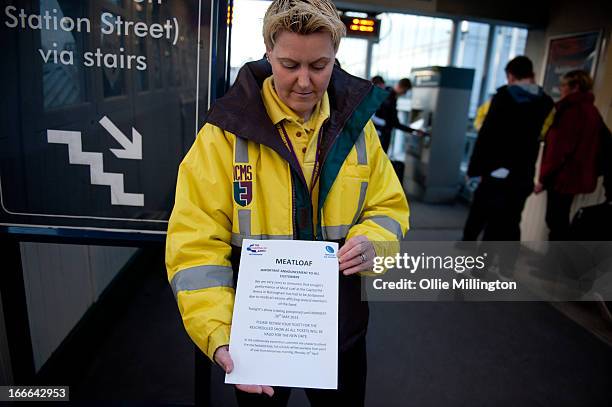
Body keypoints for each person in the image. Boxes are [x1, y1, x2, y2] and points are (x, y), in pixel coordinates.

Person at [165, 0, 410, 406]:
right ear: (267, 54)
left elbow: (388, 208)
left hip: (339, 332)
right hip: (258, 339)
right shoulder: (223, 134)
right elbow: (195, 243)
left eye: (318, 66)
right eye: (289, 64)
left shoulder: (358, 130)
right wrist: (218, 332)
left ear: (335, 58)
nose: (303, 81)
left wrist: (374, 243)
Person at [462, 56, 554, 241]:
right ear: (532, 74)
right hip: (523, 172)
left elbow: (487, 136)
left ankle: (469, 265)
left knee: (477, 219)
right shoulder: (546, 102)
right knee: (505, 224)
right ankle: (493, 268)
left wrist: (474, 169)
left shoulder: (504, 97)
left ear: (510, 76)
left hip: (496, 170)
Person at [534, 70, 610, 240]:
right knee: (560, 219)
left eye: (564, 85)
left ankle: (559, 264)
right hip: (577, 175)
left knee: (556, 221)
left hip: (563, 176)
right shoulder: (592, 111)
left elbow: (559, 149)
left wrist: (544, 179)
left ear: (575, 87)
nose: (560, 89)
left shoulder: (570, 111)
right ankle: (555, 261)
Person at [375, 77, 414, 153]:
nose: (404, 94)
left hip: (379, 133)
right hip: (381, 135)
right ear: (402, 87)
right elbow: (394, 122)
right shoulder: (390, 98)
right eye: (405, 91)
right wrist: (412, 130)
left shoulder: (388, 94)